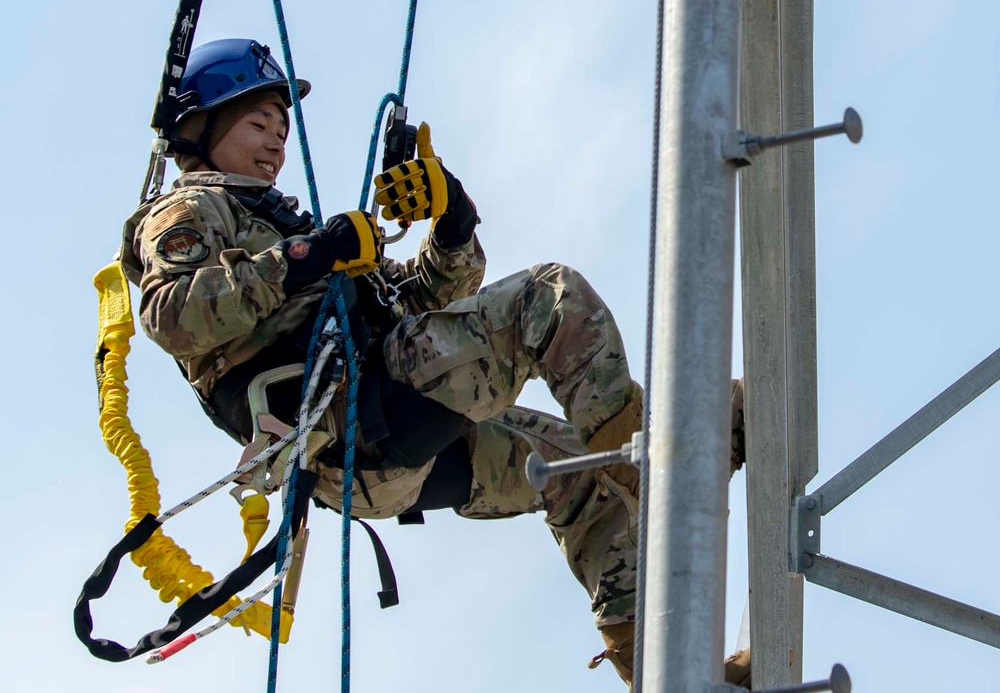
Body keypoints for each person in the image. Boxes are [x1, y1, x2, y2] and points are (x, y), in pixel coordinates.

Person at [119, 38, 746, 690]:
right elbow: (172, 314)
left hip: (380, 440)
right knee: (546, 299)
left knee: (578, 475)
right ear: (199, 129)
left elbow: (422, 305)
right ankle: (678, 462)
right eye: (258, 124)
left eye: (282, 127)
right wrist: (309, 256)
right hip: (354, 416)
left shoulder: (279, 226)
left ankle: (669, 672)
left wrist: (450, 221)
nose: (277, 142)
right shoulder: (189, 210)